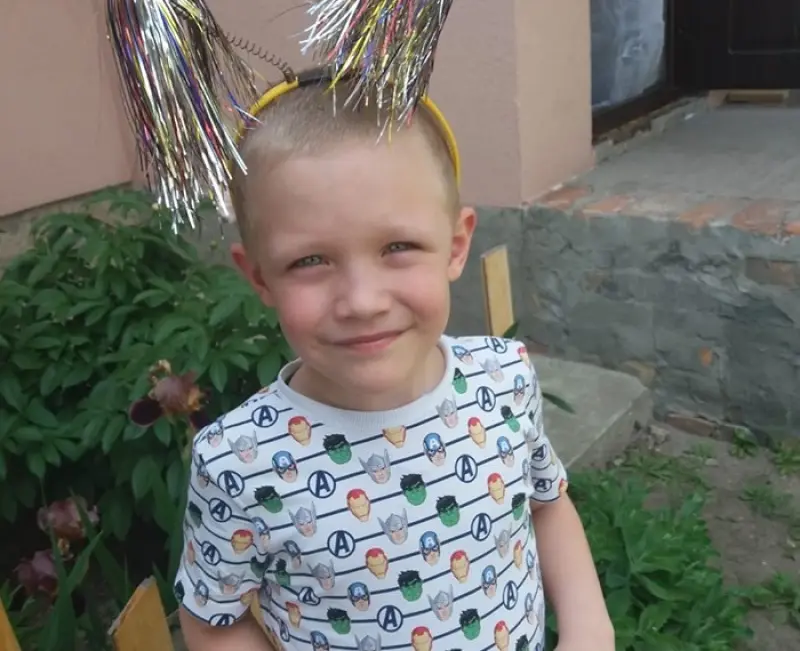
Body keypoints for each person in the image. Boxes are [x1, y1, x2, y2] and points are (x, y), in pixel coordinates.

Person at [174, 70, 614, 651]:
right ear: (259, 277)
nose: (362, 301)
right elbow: (213, 618)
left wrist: (590, 629)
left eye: (397, 247)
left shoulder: (503, 379)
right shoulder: (239, 462)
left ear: (456, 246)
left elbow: (547, 505)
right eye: (310, 261)